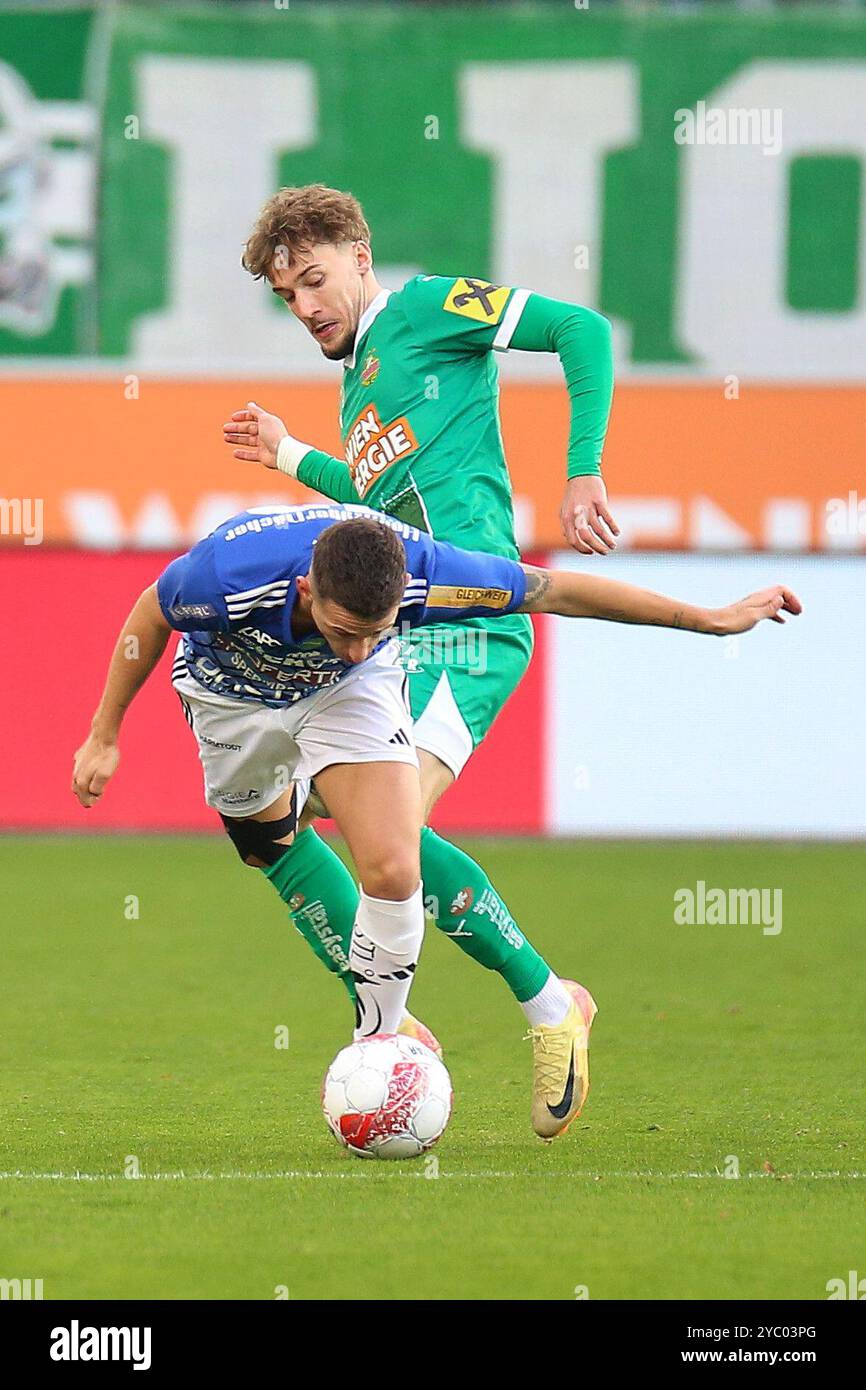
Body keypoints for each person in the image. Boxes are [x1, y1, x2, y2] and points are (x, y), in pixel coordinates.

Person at [72, 502, 800, 1138]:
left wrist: (704, 619)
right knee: (269, 843)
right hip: (230, 697)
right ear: (304, 591)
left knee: (390, 861)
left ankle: (389, 1038)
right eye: (341, 627)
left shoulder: (424, 574)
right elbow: (148, 613)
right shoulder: (227, 576)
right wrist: (106, 733)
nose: (357, 642)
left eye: (375, 629)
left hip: (346, 699)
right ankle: (410, 1018)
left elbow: (555, 592)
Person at [222, 184, 617, 1130]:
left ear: (362, 255)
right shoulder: (362, 381)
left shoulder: (429, 307)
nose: (306, 306)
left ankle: (530, 1003)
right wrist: (289, 454)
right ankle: (399, 1017)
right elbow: (373, 492)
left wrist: (584, 465)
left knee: (383, 837)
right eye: (288, 295)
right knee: (283, 812)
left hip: (467, 620)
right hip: (403, 630)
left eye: (316, 279)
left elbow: (581, 328)